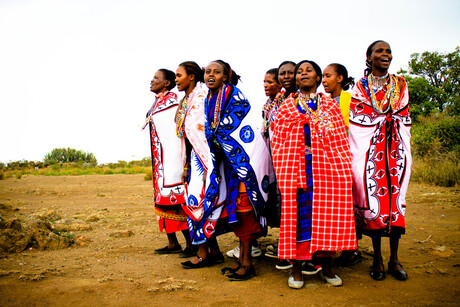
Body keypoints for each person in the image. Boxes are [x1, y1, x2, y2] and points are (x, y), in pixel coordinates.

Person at [272, 60, 357, 289]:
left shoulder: (330, 107)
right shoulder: (287, 107)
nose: (303, 74)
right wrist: (289, 166)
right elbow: (278, 142)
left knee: (326, 217)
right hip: (295, 170)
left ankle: (327, 268)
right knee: (297, 220)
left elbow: (340, 141)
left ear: (319, 78)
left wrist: (339, 169)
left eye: (309, 70)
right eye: (300, 71)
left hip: (326, 171)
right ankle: (297, 269)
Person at [202, 60, 271, 281]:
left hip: (245, 163)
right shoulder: (209, 98)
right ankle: (241, 260)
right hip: (229, 164)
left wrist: (215, 136)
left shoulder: (235, 95)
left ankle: (248, 263)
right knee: (237, 213)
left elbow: (238, 124)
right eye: (208, 71)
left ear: (226, 75)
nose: (211, 75)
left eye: (217, 72)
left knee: (245, 211)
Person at [349, 40, 411, 281]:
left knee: (395, 203)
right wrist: (381, 120)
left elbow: (403, 114)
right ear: (369, 58)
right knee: (373, 202)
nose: (385, 55)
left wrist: (387, 119)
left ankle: (394, 259)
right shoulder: (360, 86)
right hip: (371, 153)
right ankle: (376, 258)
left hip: (395, 151)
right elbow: (357, 117)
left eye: (388, 52)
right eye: (379, 52)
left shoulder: (400, 84)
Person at [173, 61, 226, 270]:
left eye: (179, 75)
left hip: (205, 159)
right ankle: (214, 252)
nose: (176, 79)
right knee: (197, 203)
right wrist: (186, 166)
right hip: (194, 158)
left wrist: (206, 165)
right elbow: (186, 137)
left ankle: (203, 253)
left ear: (192, 76)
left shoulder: (201, 97)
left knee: (199, 202)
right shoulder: (187, 100)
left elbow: (204, 133)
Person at [143, 68, 194, 257]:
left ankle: (190, 243)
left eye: (156, 78)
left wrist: (182, 164)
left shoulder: (173, 102)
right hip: (161, 162)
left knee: (177, 202)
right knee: (162, 202)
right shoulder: (159, 102)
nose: (151, 80)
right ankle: (172, 243)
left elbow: (177, 133)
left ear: (167, 83)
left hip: (173, 161)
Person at [322, 63, 363, 266]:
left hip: (347, 159)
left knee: (349, 204)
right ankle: (343, 247)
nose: (323, 80)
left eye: (327, 76)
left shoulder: (352, 100)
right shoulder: (324, 102)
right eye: (322, 76)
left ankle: (352, 249)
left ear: (340, 78)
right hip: (328, 161)